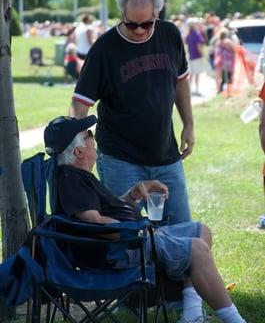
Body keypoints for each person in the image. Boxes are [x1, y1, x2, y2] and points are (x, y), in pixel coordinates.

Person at [43, 115, 247, 323]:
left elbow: (102, 214)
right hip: (119, 250)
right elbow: (93, 221)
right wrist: (135, 230)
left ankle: (192, 315)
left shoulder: (78, 176)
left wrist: (133, 195)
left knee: (201, 231)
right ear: (79, 151)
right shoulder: (71, 179)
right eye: (89, 135)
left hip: (124, 241)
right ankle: (235, 321)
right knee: (197, 249)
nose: (94, 140)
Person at [69, 0, 194, 226]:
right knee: (123, 237)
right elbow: (79, 103)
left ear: (157, 14)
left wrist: (189, 124)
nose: (139, 31)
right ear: (122, 16)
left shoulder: (170, 34)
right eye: (132, 24)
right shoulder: (104, 48)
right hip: (120, 160)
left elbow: (181, 83)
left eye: (147, 24)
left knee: (182, 230)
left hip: (166, 156)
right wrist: (76, 145)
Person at [185, 20, 205, 96]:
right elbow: (199, 46)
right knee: (197, 74)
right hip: (197, 56)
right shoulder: (196, 34)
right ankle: (196, 89)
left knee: (191, 74)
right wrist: (202, 55)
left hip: (190, 56)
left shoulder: (188, 34)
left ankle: (190, 89)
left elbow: (186, 44)